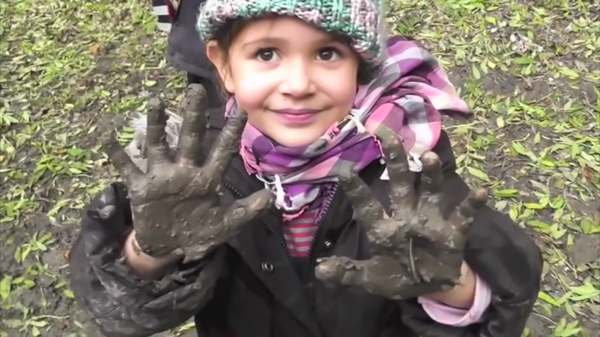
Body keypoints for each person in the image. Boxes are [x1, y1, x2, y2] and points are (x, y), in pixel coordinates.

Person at [69, 0, 543, 336]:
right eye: (267, 53)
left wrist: (452, 286)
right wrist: (150, 251)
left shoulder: (410, 167)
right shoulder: (192, 173)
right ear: (224, 66)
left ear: (360, 65)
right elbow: (118, 315)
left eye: (327, 53)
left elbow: (500, 304)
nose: (297, 84)